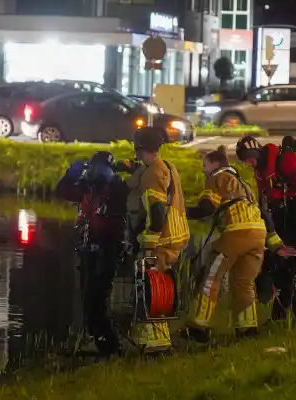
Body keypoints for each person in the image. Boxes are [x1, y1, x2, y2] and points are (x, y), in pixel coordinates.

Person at [184, 147, 279, 342]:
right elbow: (262, 212)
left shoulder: (216, 178)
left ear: (215, 164)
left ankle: (198, 327)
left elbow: (206, 208)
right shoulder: (243, 183)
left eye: (205, 165)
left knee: (211, 277)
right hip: (258, 235)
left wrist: (180, 211)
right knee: (244, 283)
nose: (203, 170)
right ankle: (247, 328)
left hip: (236, 233)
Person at [121, 127, 190, 355]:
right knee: (158, 287)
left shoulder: (151, 175)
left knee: (152, 291)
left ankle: (156, 345)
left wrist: (148, 243)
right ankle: (152, 340)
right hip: (176, 236)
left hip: (160, 242)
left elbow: (157, 214)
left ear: (140, 149)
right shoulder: (167, 166)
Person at [235, 135, 296, 320]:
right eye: (245, 160)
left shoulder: (283, 159)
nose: (248, 163)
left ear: (256, 151)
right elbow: (264, 199)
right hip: (280, 220)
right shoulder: (261, 169)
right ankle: (283, 312)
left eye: (249, 157)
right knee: (278, 265)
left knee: (293, 267)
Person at [55, 151, 129, 357]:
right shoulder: (88, 188)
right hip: (89, 248)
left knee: (98, 298)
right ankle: (100, 341)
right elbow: (63, 192)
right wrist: (70, 174)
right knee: (88, 297)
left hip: (108, 248)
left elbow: (118, 222)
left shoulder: (117, 189)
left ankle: (109, 344)